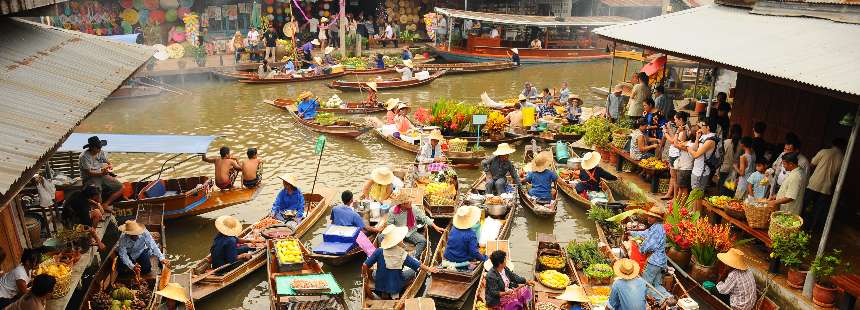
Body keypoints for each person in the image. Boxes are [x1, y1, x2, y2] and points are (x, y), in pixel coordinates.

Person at [363, 226, 437, 299]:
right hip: (395, 284)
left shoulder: (379, 251)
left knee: (374, 273)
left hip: (380, 284)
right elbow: (417, 265)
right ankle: (395, 293)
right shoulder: (402, 253)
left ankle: (385, 292)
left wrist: (365, 276)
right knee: (413, 271)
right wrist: (429, 269)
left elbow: (365, 265)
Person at [384, 189, 445, 259]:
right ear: (403, 204)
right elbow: (390, 225)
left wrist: (435, 227)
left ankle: (414, 258)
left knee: (422, 241)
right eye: (408, 202)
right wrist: (397, 238)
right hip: (397, 232)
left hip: (410, 232)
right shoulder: (392, 211)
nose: (411, 203)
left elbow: (424, 218)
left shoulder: (414, 209)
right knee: (381, 237)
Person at [629, 207, 670, 302]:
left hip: (654, 262)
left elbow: (649, 246)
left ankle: (662, 301)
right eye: (649, 216)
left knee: (646, 285)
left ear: (657, 219)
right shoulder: (656, 227)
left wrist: (641, 247)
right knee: (656, 285)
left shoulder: (657, 229)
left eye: (652, 217)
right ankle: (669, 299)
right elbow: (645, 233)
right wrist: (631, 232)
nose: (649, 218)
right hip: (660, 262)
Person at [805, 138, 846, 232]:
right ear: (843, 147)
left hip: (814, 184)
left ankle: (801, 223)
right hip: (826, 188)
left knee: (805, 204)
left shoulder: (824, 152)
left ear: (832, 144)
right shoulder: (843, 158)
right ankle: (811, 229)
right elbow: (840, 174)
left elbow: (812, 163)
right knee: (818, 210)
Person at [79, 135, 123, 207]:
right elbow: (88, 173)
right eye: (98, 147)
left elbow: (107, 161)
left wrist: (109, 165)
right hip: (90, 178)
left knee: (121, 187)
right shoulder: (84, 156)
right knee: (97, 196)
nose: (100, 149)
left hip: (102, 175)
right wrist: (101, 173)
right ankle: (99, 209)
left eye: (100, 147)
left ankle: (106, 204)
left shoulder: (100, 152)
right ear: (92, 148)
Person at [61, 185, 106, 250]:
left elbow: (89, 201)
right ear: (92, 196)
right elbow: (87, 226)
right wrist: (99, 242)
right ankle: (88, 238)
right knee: (85, 247)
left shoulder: (78, 193)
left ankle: (88, 237)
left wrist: (97, 204)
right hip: (70, 222)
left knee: (97, 212)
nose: (98, 197)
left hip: (71, 216)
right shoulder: (84, 207)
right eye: (97, 196)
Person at [681, 120, 718, 192]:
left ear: (708, 128)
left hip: (701, 171)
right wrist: (697, 138)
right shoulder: (704, 137)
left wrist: (688, 147)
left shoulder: (710, 140)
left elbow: (695, 155)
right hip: (697, 169)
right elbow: (695, 149)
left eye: (702, 125)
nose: (700, 127)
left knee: (696, 195)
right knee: (696, 194)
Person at [670, 113, 694, 199]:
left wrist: (677, 132)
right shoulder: (686, 132)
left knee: (683, 188)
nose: (675, 121)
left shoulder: (687, 140)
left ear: (680, 120)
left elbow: (675, 143)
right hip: (683, 163)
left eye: (675, 119)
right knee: (681, 187)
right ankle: (677, 203)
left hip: (685, 165)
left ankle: (679, 204)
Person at [719, 124, 743, 196]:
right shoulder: (742, 145)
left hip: (724, 169)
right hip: (734, 172)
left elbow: (720, 157)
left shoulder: (726, 142)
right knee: (728, 192)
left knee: (721, 192)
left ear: (731, 131)